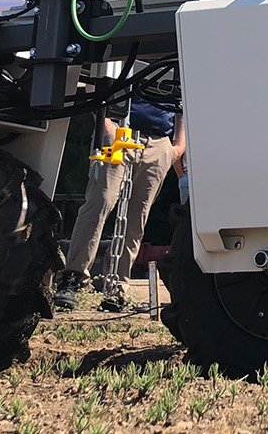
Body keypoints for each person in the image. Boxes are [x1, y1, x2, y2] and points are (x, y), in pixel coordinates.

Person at [54, 97, 183, 311]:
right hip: (119, 130)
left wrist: (177, 147)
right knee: (100, 202)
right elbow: (98, 81)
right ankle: (73, 277)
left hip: (159, 143)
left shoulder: (174, 67)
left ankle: (118, 287)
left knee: (137, 218)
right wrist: (103, 122)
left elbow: (181, 102)